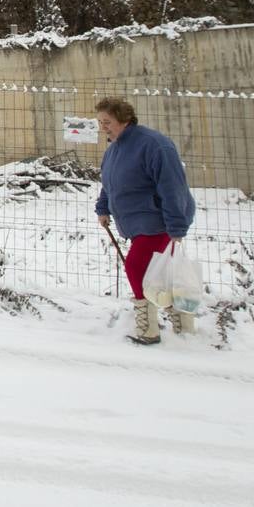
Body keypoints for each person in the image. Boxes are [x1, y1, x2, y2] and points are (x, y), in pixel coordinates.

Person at [93, 97, 196, 344]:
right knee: (156, 274)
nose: (103, 127)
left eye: (107, 122)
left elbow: (173, 187)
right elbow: (110, 184)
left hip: (157, 221)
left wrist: (176, 226)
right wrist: (103, 208)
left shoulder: (154, 145)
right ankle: (182, 320)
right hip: (136, 223)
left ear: (124, 119)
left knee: (136, 267)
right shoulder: (113, 151)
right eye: (100, 122)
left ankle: (148, 328)